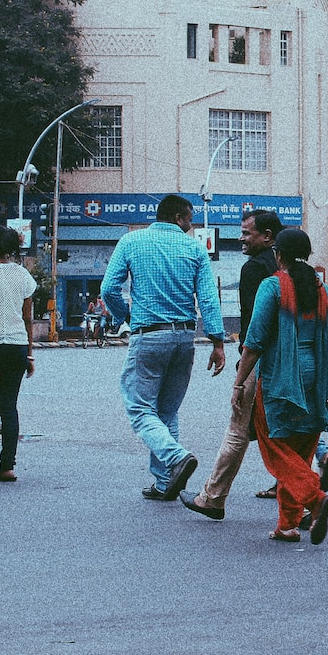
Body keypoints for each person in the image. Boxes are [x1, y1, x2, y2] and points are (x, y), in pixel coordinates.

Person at [184, 210, 328, 520]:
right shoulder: (315, 282)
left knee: (249, 434)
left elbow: (255, 332)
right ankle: (295, 513)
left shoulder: (260, 274)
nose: (241, 239)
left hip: (268, 366)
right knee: (295, 436)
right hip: (310, 368)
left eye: (246, 233)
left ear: (271, 241)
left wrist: (240, 377)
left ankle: (216, 497)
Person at [101, 194, 227, 501]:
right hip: (185, 339)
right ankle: (163, 482)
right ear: (177, 217)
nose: (191, 224)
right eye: (189, 219)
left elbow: (108, 289)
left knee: (140, 408)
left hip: (149, 336)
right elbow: (208, 299)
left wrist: (125, 316)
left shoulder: (131, 242)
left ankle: (175, 457)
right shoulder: (195, 248)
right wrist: (217, 341)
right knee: (167, 411)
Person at [230, 229, 328, 544]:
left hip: (281, 376)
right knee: (301, 449)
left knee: (274, 445)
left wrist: (239, 384)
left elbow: (254, 341)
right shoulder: (322, 289)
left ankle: (315, 498)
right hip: (316, 376)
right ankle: (288, 525)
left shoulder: (273, 286)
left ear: (278, 254)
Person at [0, 224, 36, 483]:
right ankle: (8, 466)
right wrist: (29, 354)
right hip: (16, 347)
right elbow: (28, 319)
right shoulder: (22, 274)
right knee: (8, 407)